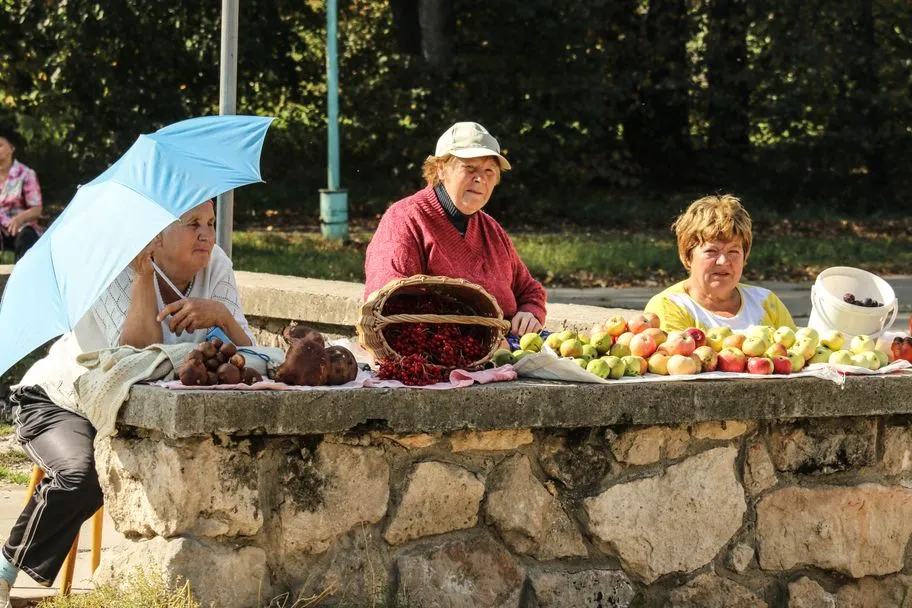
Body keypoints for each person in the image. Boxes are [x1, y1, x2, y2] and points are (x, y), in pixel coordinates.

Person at [0, 200, 253, 606]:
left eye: (210, 222)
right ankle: (4, 572)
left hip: (127, 407)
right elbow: (125, 362)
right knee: (83, 475)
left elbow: (250, 357)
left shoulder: (216, 263)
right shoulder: (110, 266)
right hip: (62, 399)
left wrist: (222, 316)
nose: (206, 234)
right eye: (192, 224)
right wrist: (140, 276)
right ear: (155, 235)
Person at [364, 121, 546, 336]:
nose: (480, 179)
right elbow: (388, 303)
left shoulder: (491, 229)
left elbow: (529, 290)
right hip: (435, 353)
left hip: (505, 348)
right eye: (470, 168)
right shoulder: (405, 219)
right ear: (441, 169)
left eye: (489, 170)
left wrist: (530, 312)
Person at [645, 194, 795, 332]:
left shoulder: (766, 302)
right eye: (711, 251)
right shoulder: (670, 306)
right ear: (687, 256)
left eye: (733, 252)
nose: (723, 261)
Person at [0, 126, 42, 261]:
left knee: (27, 238)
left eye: (0, 145)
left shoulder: (25, 174)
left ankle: (24, 278)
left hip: (20, 225)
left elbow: (36, 209)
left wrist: (19, 219)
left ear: (11, 149)